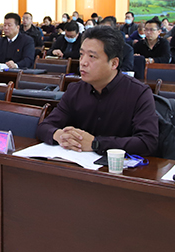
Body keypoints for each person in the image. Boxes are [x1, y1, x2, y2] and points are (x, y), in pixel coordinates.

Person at [36, 26, 159, 156]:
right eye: (81, 54)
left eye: (92, 56)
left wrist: (96, 144)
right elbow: (44, 127)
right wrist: (59, 135)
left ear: (114, 63)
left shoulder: (139, 93)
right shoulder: (75, 90)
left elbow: (147, 142)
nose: (83, 62)